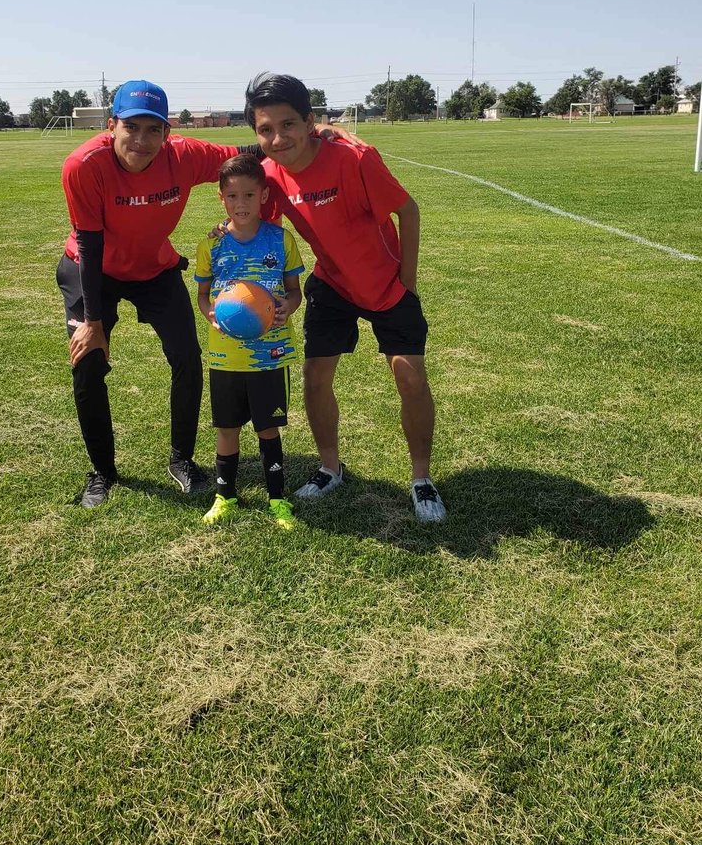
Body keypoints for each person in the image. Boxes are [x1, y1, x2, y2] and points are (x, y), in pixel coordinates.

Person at [58, 79, 347, 508]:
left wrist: (321, 132)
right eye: (131, 127)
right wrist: (94, 324)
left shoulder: (183, 156)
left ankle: (183, 459)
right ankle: (102, 471)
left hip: (155, 269)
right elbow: (90, 243)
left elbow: (251, 159)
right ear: (111, 124)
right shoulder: (84, 164)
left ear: (167, 133)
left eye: (153, 129)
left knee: (187, 358)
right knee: (88, 364)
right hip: (90, 269)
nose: (142, 140)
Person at [244, 72, 446, 523]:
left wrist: (407, 282)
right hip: (332, 284)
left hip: (386, 285)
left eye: (289, 124)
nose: (279, 138)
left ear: (310, 121)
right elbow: (265, 228)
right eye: (266, 129)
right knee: (315, 377)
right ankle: (330, 467)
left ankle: (421, 478)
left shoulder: (355, 159)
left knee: (410, 377)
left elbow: (407, 210)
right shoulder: (270, 174)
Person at [194, 155, 304, 530]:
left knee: (267, 428)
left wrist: (286, 308)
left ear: (264, 195)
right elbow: (203, 295)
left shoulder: (280, 239)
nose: (240, 204)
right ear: (221, 198)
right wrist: (209, 312)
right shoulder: (211, 245)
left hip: (269, 355)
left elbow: (294, 291)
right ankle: (225, 495)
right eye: (232, 196)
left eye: (249, 195)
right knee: (226, 428)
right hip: (225, 355)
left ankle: (277, 498)